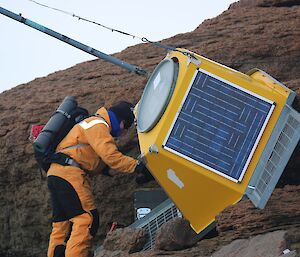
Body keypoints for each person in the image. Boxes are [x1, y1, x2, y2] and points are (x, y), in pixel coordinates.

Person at [47, 101, 152, 257]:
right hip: (70, 173)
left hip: (56, 173)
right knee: (87, 219)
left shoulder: (91, 124)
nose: (124, 133)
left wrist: (137, 174)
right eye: (126, 127)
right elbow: (111, 157)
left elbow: (102, 164)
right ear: (122, 122)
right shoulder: (98, 125)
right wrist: (140, 167)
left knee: (61, 224)